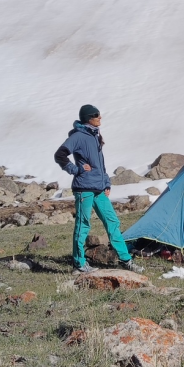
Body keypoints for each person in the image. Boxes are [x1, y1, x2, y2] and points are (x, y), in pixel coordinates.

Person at [54, 104, 144, 274]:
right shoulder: (78, 136)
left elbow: (99, 164)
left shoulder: (95, 135)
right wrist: (76, 169)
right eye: (96, 115)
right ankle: (79, 265)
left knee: (112, 223)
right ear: (88, 118)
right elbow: (59, 155)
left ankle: (126, 260)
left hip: (99, 188)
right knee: (83, 225)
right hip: (84, 188)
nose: (100, 117)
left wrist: (106, 182)